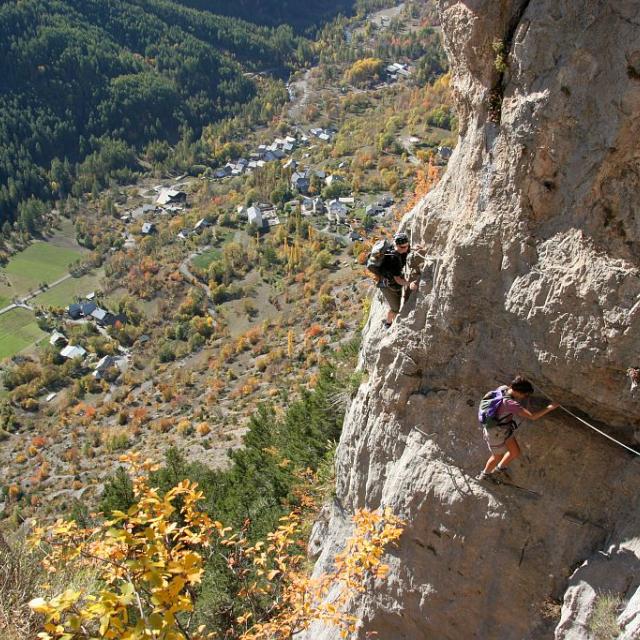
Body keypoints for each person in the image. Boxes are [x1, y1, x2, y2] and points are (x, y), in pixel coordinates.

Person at [475, 376, 559, 483]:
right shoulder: (510, 404)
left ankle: (498, 470)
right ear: (518, 392)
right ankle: (484, 475)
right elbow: (532, 416)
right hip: (494, 433)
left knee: (515, 452)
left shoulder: (503, 388)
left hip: (504, 429)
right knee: (497, 457)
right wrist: (550, 407)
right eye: (525, 394)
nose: (524, 397)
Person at [373, 232, 419, 327]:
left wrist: (414, 248)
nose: (406, 249)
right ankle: (388, 322)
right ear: (396, 245)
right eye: (403, 247)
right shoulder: (393, 259)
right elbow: (398, 280)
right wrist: (410, 284)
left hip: (393, 280)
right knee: (396, 308)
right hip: (386, 285)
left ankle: (390, 313)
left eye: (407, 246)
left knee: (397, 298)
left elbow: (406, 248)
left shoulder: (399, 248)